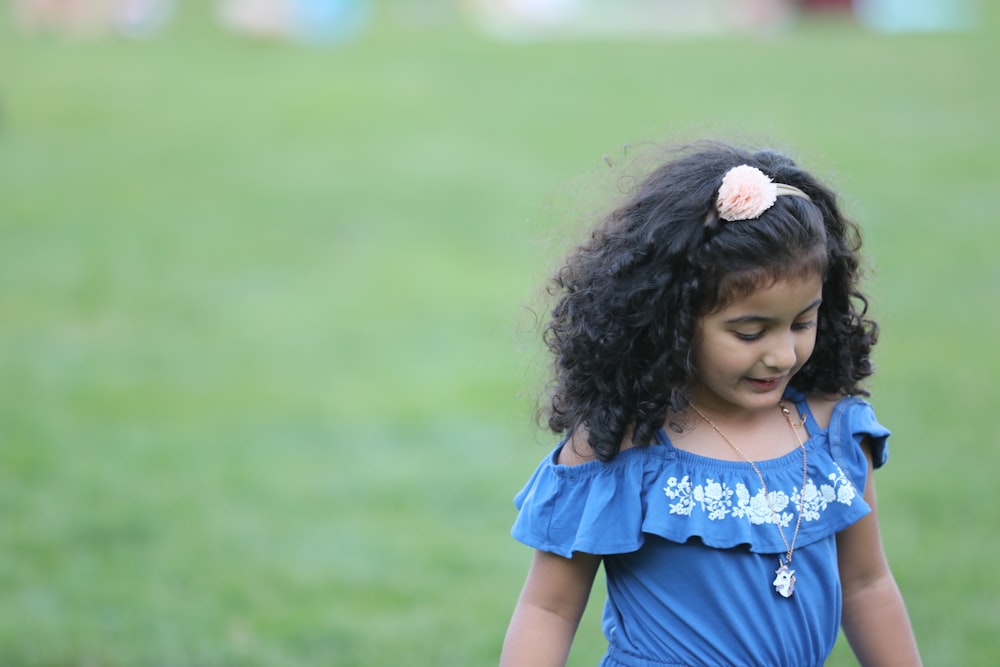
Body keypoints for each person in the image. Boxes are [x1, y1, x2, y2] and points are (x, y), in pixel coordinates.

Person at [500, 142, 921, 667]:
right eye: (749, 332)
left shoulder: (835, 433)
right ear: (673, 322)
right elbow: (549, 609)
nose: (782, 353)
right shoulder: (621, 446)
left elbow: (866, 584)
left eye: (802, 322)